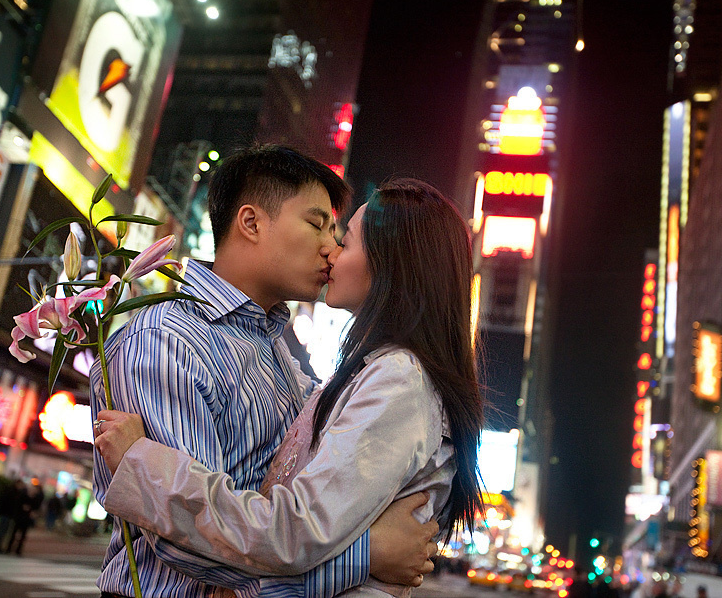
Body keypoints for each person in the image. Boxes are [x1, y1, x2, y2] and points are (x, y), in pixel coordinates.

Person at [95, 178, 485, 597]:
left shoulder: (397, 378)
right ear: (251, 223)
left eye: (343, 240)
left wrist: (140, 464)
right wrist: (369, 554)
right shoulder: (168, 340)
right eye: (318, 226)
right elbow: (273, 536)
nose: (330, 249)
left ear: (393, 263)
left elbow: (293, 532)